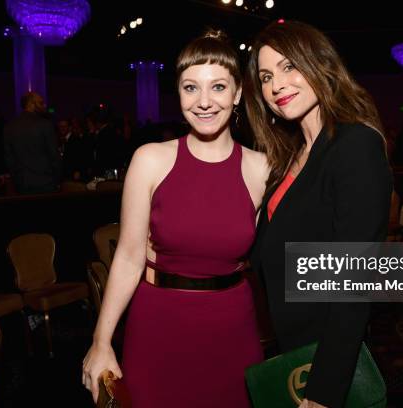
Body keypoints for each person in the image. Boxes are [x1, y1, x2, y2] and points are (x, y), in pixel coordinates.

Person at [81, 30, 269, 408]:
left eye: (217, 87)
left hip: (232, 328)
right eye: (190, 87)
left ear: (237, 95)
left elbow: (270, 260)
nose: (203, 102)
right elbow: (129, 257)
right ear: (178, 94)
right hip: (158, 325)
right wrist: (101, 342)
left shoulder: (262, 167)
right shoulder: (150, 159)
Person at [244, 20, 392, 408]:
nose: (277, 85)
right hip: (290, 343)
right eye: (265, 76)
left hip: (325, 361)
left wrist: (324, 391)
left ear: (319, 64)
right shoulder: (291, 156)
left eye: (289, 66)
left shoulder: (355, 144)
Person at [3, 92, 62, 194]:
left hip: (21, 185)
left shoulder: (9, 127)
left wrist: (17, 179)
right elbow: (54, 157)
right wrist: (58, 180)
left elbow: (9, 159)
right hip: (46, 184)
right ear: (31, 104)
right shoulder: (45, 125)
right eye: (41, 103)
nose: (44, 105)